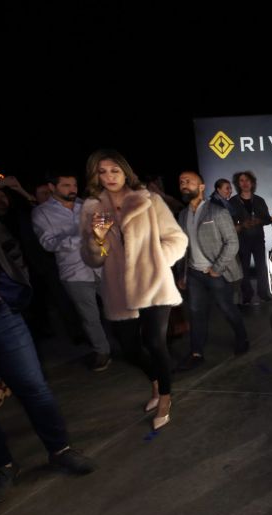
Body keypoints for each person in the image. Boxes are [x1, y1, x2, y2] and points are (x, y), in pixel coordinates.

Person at [0, 209, 96, 507]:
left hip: (0, 315)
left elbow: (8, 247)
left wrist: (8, 293)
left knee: (34, 388)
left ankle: (61, 450)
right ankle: (2, 467)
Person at [80, 149, 187, 430]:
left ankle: (165, 397)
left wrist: (156, 261)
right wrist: (97, 239)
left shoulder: (148, 200)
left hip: (153, 283)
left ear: (125, 171)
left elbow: (176, 239)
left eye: (114, 170)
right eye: (102, 172)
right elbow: (92, 258)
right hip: (118, 288)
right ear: (95, 175)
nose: (109, 177)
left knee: (155, 342)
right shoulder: (92, 207)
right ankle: (155, 382)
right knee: (128, 348)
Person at [31, 170, 112, 370]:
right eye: (66, 186)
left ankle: (131, 343)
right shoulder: (41, 213)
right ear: (52, 187)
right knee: (89, 316)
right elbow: (48, 244)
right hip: (74, 273)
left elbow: (104, 231)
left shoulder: (85, 205)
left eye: (74, 185)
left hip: (102, 266)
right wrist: (84, 238)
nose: (72, 190)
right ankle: (102, 351)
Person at [175, 171, 248, 371]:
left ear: (201, 187)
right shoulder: (182, 215)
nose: (184, 184)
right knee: (196, 313)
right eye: (181, 181)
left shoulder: (217, 211)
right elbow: (183, 247)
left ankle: (242, 337)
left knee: (227, 309)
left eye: (188, 181)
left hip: (215, 272)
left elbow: (232, 243)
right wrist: (182, 274)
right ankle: (196, 353)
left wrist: (217, 268)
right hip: (194, 274)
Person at [228, 171, 271, 304]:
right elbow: (228, 223)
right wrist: (241, 225)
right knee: (244, 269)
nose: (245, 183)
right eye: (242, 180)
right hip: (242, 240)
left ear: (252, 183)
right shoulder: (233, 201)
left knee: (261, 267)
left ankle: (263, 293)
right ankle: (247, 294)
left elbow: (268, 219)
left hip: (258, 239)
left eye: (247, 180)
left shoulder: (259, 200)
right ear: (238, 183)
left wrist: (259, 220)